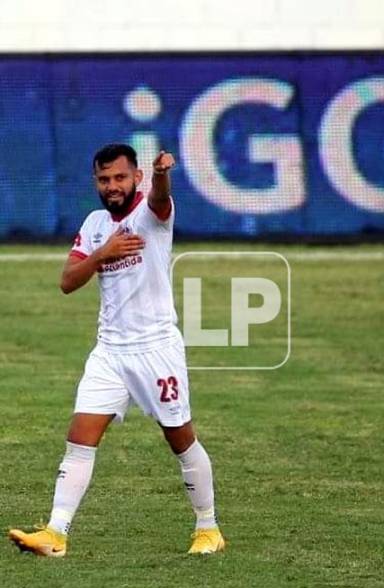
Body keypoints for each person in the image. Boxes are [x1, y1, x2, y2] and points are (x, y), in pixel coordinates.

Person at [8, 143, 225, 557]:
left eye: (120, 178)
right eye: (104, 180)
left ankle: (208, 527)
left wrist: (162, 174)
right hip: (110, 352)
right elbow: (68, 281)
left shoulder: (151, 216)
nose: (112, 186)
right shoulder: (93, 225)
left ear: (136, 178)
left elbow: (161, 198)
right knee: (80, 438)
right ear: (96, 182)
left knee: (180, 439)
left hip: (156, 349)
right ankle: (55, 533)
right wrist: (101, 254)